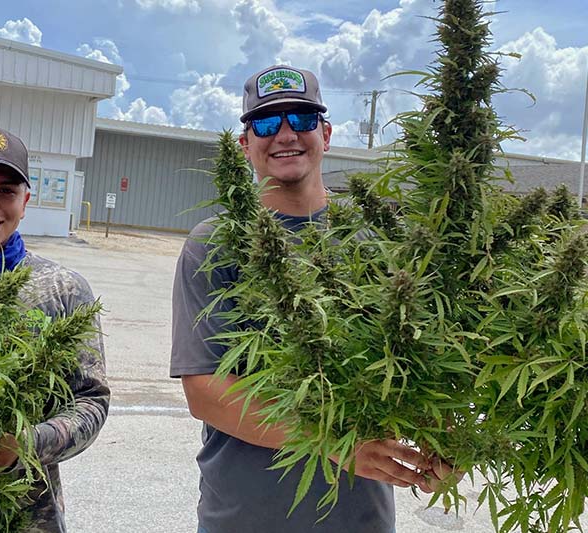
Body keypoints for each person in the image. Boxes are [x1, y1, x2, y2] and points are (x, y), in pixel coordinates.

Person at [170, 65, 442, 532]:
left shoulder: (378, 236)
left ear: (327, 133)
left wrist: (443, 434)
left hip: (359, 519)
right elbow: (205, 391)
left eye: (302, 119)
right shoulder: (213, 244)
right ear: (245, 145)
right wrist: (333, 443)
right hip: (244, 517)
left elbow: (423, 363)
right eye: (267, 123)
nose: (285, 135)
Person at [0, 126, 109, 533]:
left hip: (25, 516)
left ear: (25, 201)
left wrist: (28, 443)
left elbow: (90, 402)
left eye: (6, 191)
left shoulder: (62, 290)